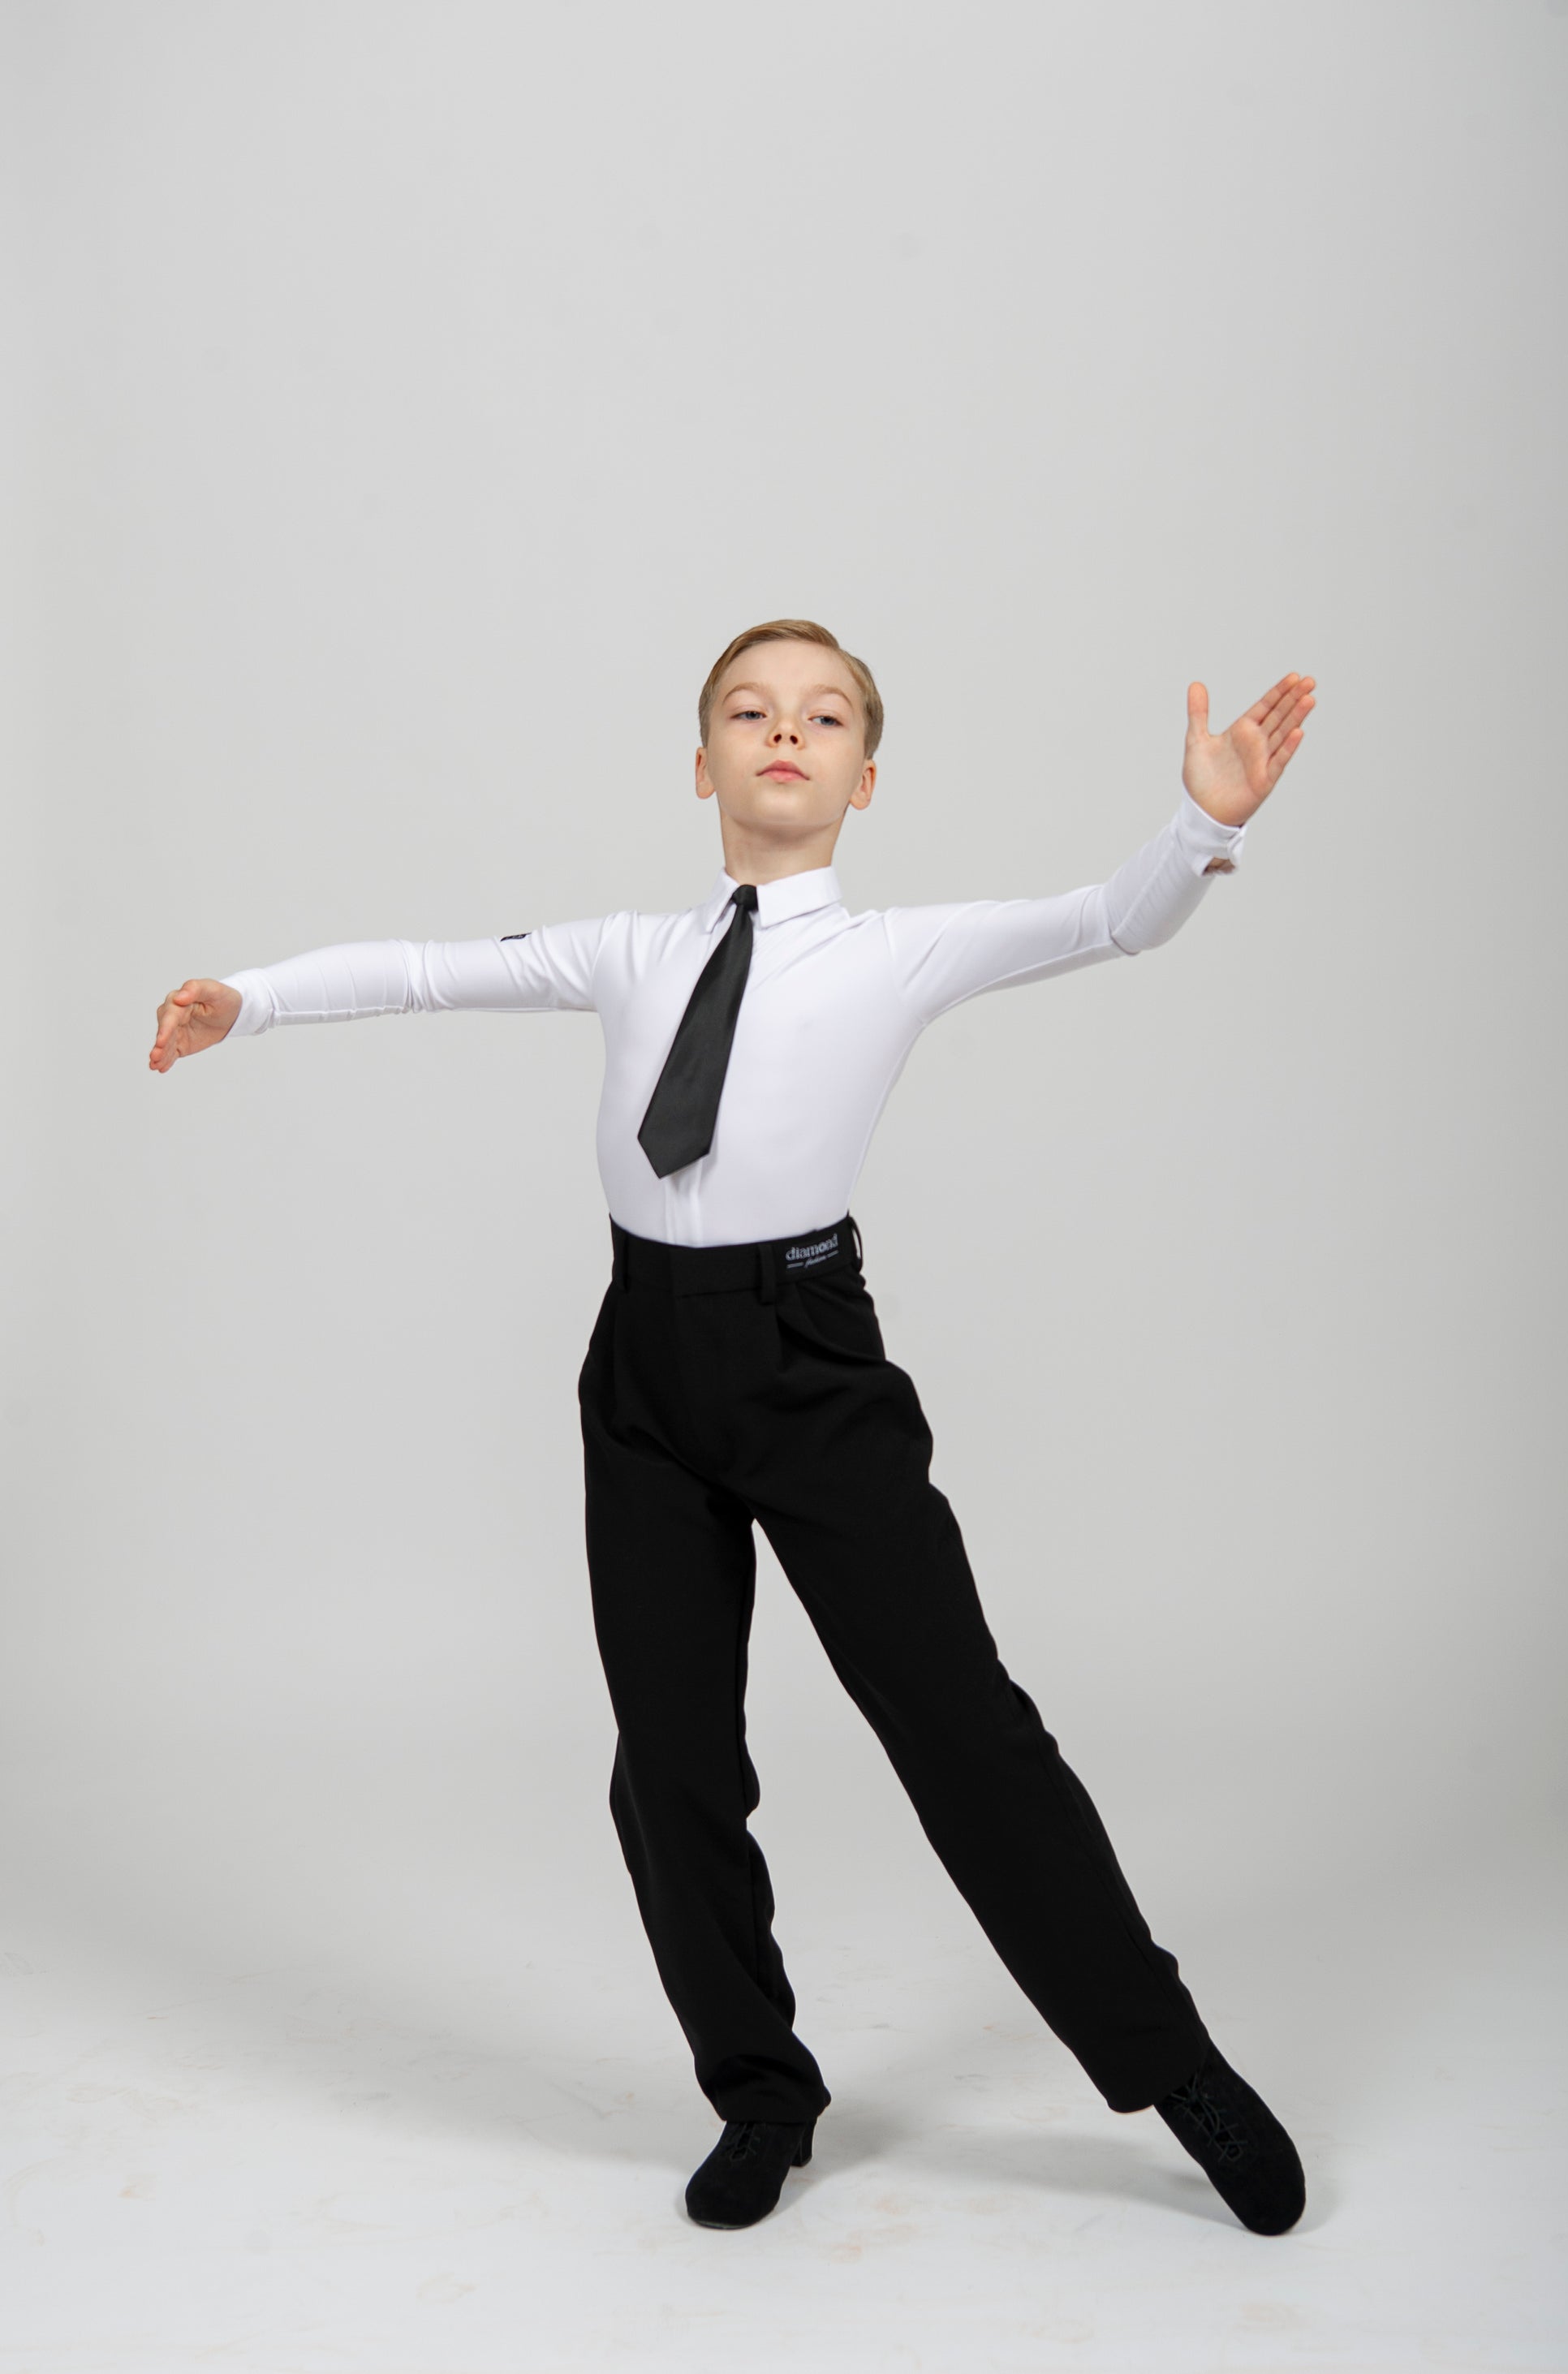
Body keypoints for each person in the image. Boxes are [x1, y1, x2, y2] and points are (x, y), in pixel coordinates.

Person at [149, 619, 1316, 2238]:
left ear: (865, 774)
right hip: (642, 1366)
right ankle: (760, 2091)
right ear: (700, 763)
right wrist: (248, 997)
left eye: (823, 714)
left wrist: (1203, 825)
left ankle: (1169, 2061)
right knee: (671, 1763)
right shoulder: (631, 948)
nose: (787, 732)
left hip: (806, 1361)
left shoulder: (899, 951)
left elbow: (1110, 922)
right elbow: (429, 968)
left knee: (966, 1731)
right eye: (750, 712)